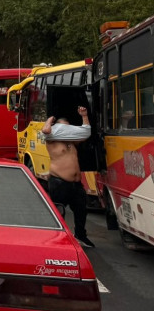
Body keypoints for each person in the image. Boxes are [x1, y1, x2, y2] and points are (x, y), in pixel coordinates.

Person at [41, 105, 94, 248]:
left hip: (76, 184)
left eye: (68, 128)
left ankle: (81, 236)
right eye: (62, 128)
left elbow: (84, 134)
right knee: (59, 211)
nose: (65, 131)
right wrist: (49, 121)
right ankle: (58, 238)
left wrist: (84, 116)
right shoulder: (51, 140)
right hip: (59, 181)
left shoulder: (72, 141)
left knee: (81, 210)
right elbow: (45, 130)